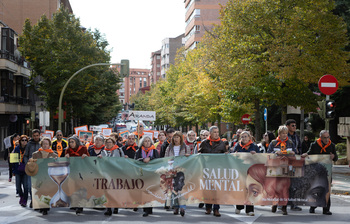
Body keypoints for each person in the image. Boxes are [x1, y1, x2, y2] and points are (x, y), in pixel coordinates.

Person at [302, 130, 338, 215]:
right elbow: (309, 154)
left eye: (328, 137)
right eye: (325, 137)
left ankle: (326, 209)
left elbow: (336, 157)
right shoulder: (314, 145)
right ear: (321, 138)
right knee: (315, 189)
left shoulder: (332, 145)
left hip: (327, 172)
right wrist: (305, 155)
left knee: (326, 189)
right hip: (316, 171)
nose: (326, 139)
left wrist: (334, 156)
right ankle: (313, 206)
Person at [199, 126, 227, 217]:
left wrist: (227, 154)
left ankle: (216, 208)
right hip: (207, 169)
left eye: (218, 132)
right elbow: (199, 155)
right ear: (210, 133)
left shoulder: (222, 143)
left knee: (217, 189)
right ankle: (208, 207)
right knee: (208, 189)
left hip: (217, 170)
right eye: (214, 132)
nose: (217, 134)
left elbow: (226, 156)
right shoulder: (204, 143)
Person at [267, 125, 296, 215]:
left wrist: (293, 153)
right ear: (279, 133)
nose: (284, 135)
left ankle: (284, 207)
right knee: (276, 187)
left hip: (287, 167)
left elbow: (295, 154)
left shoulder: (290, 143)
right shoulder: (273, 143)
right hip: (276, 168)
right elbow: (268, 154)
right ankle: (274, 204)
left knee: (285, 187)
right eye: (283, 133)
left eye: (286, 133)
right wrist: (275, 153)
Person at [231, 131, 260, 216]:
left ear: (249, 137)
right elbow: (231, 155)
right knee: (240, 189)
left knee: (251, 189)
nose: (244, 138)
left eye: (245, 136)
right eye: (242, 137)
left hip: (251, 171)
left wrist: (256, 154)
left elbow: (260, 156)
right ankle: (239, 207)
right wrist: (234, 154)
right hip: (240, 170)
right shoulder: (237, 145)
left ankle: (250, 210)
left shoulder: (254, 146)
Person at [164, 131, 191, 216]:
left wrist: (187, 156)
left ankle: (182, 206)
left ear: (181, 138)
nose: (176, 139)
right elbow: (166, 158)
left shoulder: (185, 147)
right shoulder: (169, 148)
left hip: (181, 170)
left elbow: (190, 158)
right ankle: (176, 206)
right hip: (172, 170)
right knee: (174, 189)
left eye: (177, 137)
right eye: (174, 137)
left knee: (180, 188)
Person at [31, 137, 58, 215]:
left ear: (49, 145)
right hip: (39, 175)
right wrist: (31, 160)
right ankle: (40, 206)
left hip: (49, 176)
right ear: (41, 144)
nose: (45, 145)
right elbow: (32, 162)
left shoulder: (54, 154)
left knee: (47, 192)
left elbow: (57, 165)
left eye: (47, 144)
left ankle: (45, 207)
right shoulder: (35, 154)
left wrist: (56, 160)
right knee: (40, 191)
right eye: (44, 144)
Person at [134, 135, 159, 217]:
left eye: (149, 141)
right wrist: (143, 160)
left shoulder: (154, 151)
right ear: (142, 142)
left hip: (152, 174)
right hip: (142, 174)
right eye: (145, 141)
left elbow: (158, 160)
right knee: (144, 191)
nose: (147, 142)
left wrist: (150, 159)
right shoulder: (138, 151)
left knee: (150, 191)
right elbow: (135, 161)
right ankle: (146, 209)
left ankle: (149, 208)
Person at [65, 136, 89, 215]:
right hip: (72, 171)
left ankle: (80, 206)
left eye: (72, 142)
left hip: (82, 171)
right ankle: (75, 203)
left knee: (80, 188)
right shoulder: (67, 150)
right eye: (70, 142)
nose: (71, 144)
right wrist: (66, 157)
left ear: (76, 142)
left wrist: (86, 156)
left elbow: (89, 159)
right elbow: (65, 161)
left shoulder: (83, 148)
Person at [102, 137, 125, 216]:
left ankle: (116, 206)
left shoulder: (118, 150)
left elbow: (123, 161)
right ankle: (108, 209)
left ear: (113, 143)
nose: (108, 144)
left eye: (110, 142)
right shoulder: (103, 151)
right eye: (107, 142)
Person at [23, 129, 41, 208]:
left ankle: (35, 201)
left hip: (40, 167)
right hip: (31, 168)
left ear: (39, 135)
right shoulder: (29, 144)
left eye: (37, 135)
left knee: (39, 186)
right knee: (30, 186)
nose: (36, 137)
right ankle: (33, 200)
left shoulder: (42, 143)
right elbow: (25, 155)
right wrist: (28, 163)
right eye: (34, 136)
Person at [12, 135, 29, 207]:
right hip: (18, 169)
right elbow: (13, 160)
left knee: (26, 186)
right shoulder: (16, 148)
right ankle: (21, 196)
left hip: (26, 170)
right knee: (18, 187)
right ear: (20, 141)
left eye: (25, 140)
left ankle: (25, 200)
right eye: (22, 140)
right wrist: (13, 170)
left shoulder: (28, 148)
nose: (24, 142)